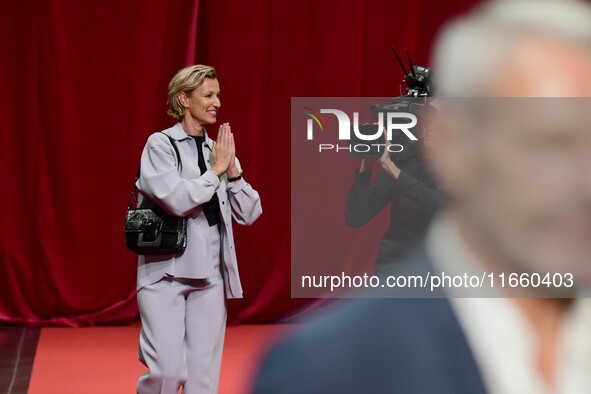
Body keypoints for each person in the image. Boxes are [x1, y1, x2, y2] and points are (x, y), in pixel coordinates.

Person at [253, 1, 591, 393]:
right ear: (455, 145)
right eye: (548, 143)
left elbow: (436, 202)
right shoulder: (329, 369)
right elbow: (357, 215)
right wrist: (368, 169)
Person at [135, 64, 262, 394]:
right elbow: (176, 200)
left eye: (218, 95)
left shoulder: (216, 149)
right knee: (166, 371)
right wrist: (215, 171)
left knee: (202, 380)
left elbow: (250, 213)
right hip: (165, 275)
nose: (217, 102)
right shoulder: (160, 145)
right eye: (208, 95)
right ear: (184, 99)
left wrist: (232, 173)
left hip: (210, 278)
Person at [345, 103, 443, 273]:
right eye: (425, 119)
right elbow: (356, 217)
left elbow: (440, 205)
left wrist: (394, 171)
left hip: (436, 265)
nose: (430, 125)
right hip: (395, 263)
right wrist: (366, 163)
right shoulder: (403, 163)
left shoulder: (459, 169)